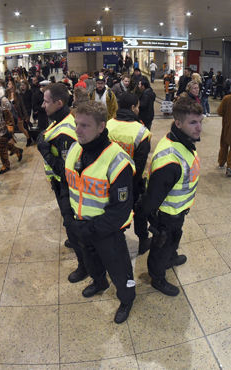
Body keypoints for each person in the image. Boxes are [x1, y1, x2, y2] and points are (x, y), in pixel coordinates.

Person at [58, 101, 136, 324]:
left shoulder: (117, 161)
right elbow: (66, 186)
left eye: (85, 126)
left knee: (120, 272)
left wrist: (87, 228)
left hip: (107, 232)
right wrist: (68, 219)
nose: (78, 131)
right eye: (76, 124)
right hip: (79, 225)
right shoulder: (74, 149)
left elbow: (119, 211)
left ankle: (127, 299)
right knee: (91, 263)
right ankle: (99, 282)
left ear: (101, 127)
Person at [135, 97, 202, 298]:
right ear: (179, 123)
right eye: (193, 123)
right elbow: (152, 197)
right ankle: (157, 277)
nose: (199, 128)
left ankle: (170, 258)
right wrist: (145, 214)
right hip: (166, 215)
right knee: (161, 246)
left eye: (200, 122)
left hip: (178, 211)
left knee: (173, 239)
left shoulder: (178, 138)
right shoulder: (172, 161)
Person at [36, 83, 86, 284]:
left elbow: (67, 173)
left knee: (72, 224)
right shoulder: (61, 119)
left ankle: (84, 266)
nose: (42, 105)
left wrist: (45, 151)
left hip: (67, 187)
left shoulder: (66, 131)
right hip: (59, 185)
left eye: (46, 102)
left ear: (59, 103)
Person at [107, 92, 152, 254]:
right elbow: (139, 166)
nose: (139, 109)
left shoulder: (108, 125)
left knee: (113, 214)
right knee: (140, 212)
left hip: (108, 181)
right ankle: (142, 240)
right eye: (138, 107)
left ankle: (115, 243)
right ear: (133, 108)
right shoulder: (141, 131)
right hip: (131, 183)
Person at [0, 84, 23, 174]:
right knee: (4, 144)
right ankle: (17, 151)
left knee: (1, 147)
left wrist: (10, 127)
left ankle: (6, 165)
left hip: (3, 128)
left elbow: (8, 115)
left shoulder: (2, 100)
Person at [7, 80, 33, 147]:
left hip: (17, 113)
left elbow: (22, 105)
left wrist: (25, 115)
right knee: (10, 130)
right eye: (8, 84)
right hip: (10, 114)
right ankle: (12, 146)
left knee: (21, 128)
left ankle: (28, 138)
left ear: (13, 85)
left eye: (9, 84)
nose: (8, 85)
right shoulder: (7, 94)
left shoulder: (17, 93)